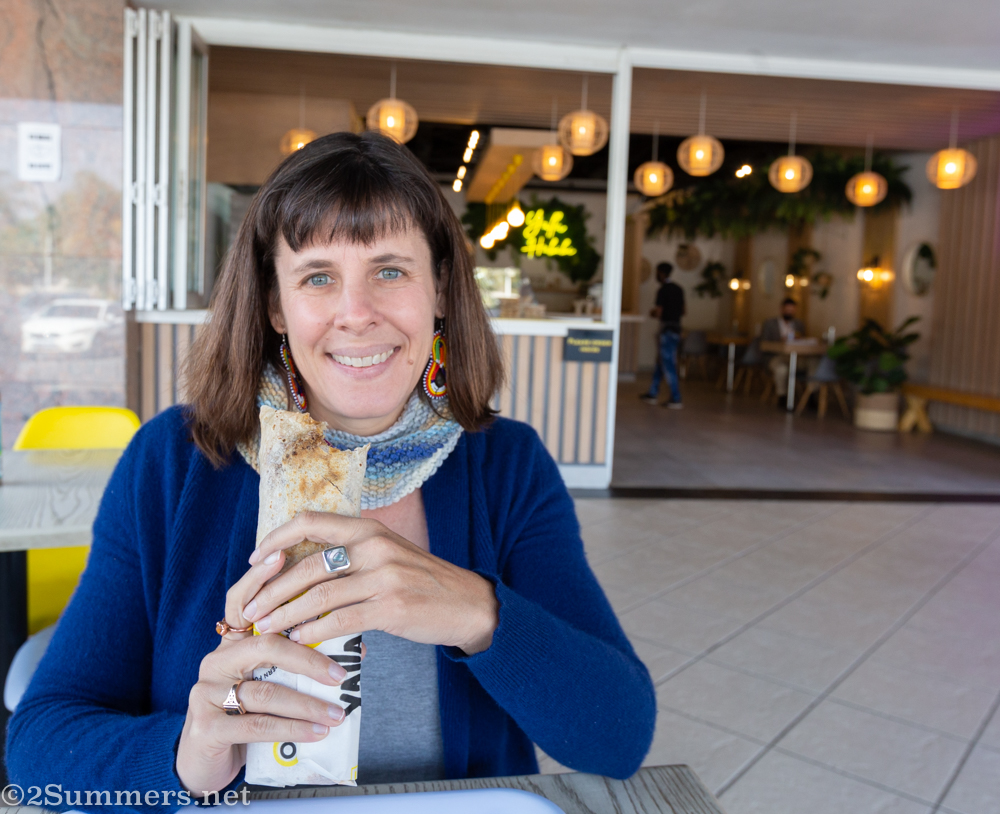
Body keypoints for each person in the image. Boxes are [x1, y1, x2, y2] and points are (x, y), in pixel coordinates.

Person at [6, 132, 655, 804]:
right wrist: (187, 753)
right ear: (275, 306)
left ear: (438, 290)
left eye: (391, 270)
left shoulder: (504, 465)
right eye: (319, 277)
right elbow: (40, 746)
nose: (357, 314)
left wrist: (477, 613)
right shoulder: (175, 462)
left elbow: (619, 739)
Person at [640, 262, 684, 408]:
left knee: (668, 364)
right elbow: (684, 311)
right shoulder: (679, 289)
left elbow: (658, 312)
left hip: (666, 330)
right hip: (677, 329)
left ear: (661, 273)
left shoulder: (663, 290)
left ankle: (676, 398)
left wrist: (652, 312)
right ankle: (653, 393)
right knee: (661, 362)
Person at [761, 297, 807, 399]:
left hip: (795, 357)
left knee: (813, 363)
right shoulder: (770, 324)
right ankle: (782, 396)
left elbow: (803, 340)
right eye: (787, 310)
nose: (789, 312)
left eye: (792, 310)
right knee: (782, 369)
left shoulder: (799, 324)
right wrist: (780, 342)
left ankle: (810, 394)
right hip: (776, 356)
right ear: (781, 309)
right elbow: (764, 344)